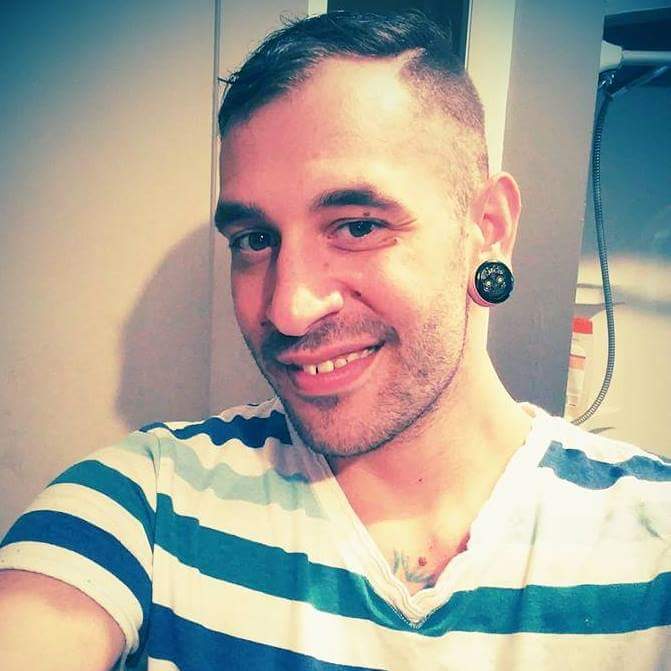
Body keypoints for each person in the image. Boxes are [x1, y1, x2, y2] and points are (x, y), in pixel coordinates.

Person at [0, 10, 669, 671]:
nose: (289, 308)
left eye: (357, 226)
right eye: (254, 240)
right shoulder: (152, 501)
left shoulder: (652, 541)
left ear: (487, 228)